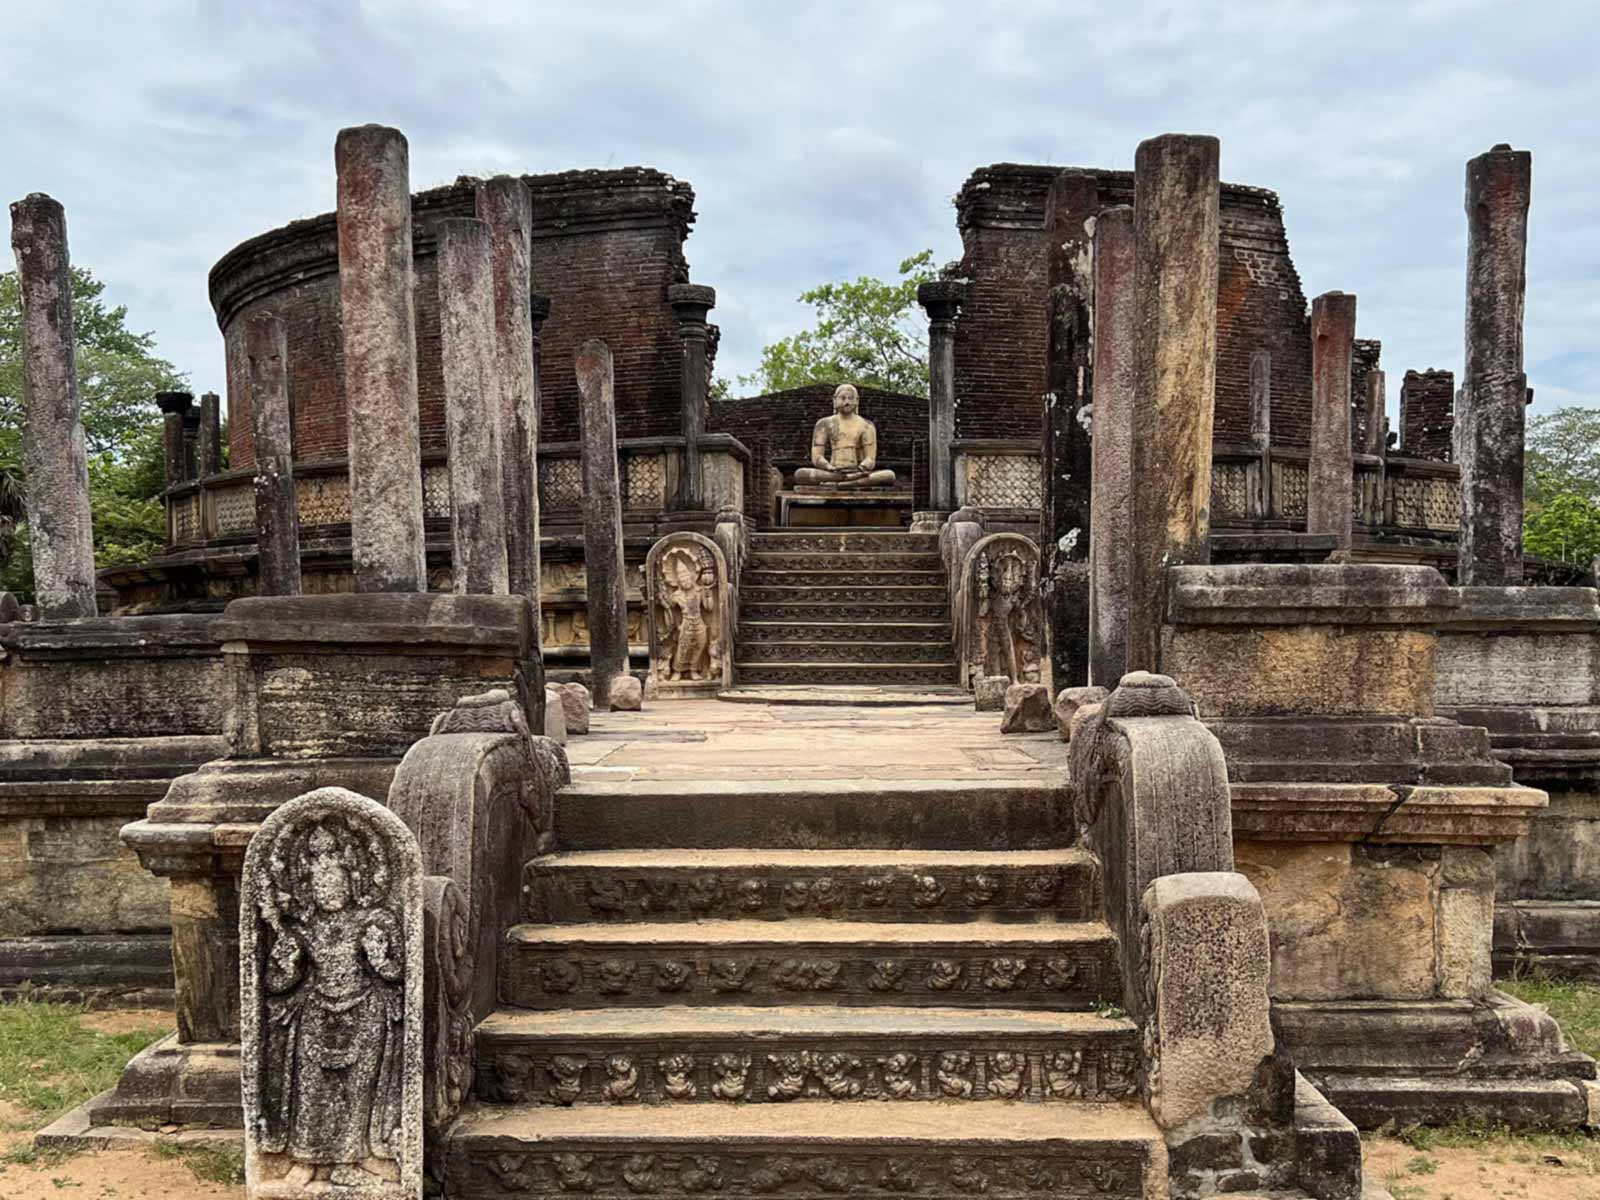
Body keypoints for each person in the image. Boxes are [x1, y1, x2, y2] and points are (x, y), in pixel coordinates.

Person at [794, 384, 897, 488]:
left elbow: (870, 458)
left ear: (857, 401)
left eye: (850, 398)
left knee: (889, 475)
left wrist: (860, 468)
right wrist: (829, 467)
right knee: (800, 474)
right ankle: (845, 480)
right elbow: (817, 457)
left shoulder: (866, 425)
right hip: (833, 472)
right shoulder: (824, 423)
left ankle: (844, 483)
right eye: (842, 398)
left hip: (857, 471)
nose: (846, 402)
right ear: (835, 400)